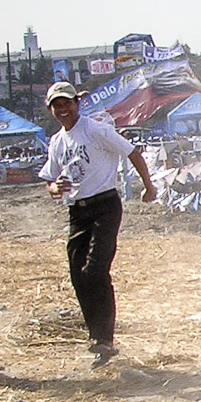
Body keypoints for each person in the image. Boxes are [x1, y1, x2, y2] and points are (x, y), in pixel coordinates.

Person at [37, 82, 157, 364]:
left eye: (66, 103)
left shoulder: (96, 130)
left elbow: (132, 152)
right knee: (79, 274)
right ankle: (96, 336)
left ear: (77, 103)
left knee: (95, 269)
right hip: (77, 212)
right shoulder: (57, 141)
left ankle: (105, 338)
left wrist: (148, 186)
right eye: (57, 105)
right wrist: (56, 188)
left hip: (104, 205)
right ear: (51, 109)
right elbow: (50, 181)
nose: (63, 109)